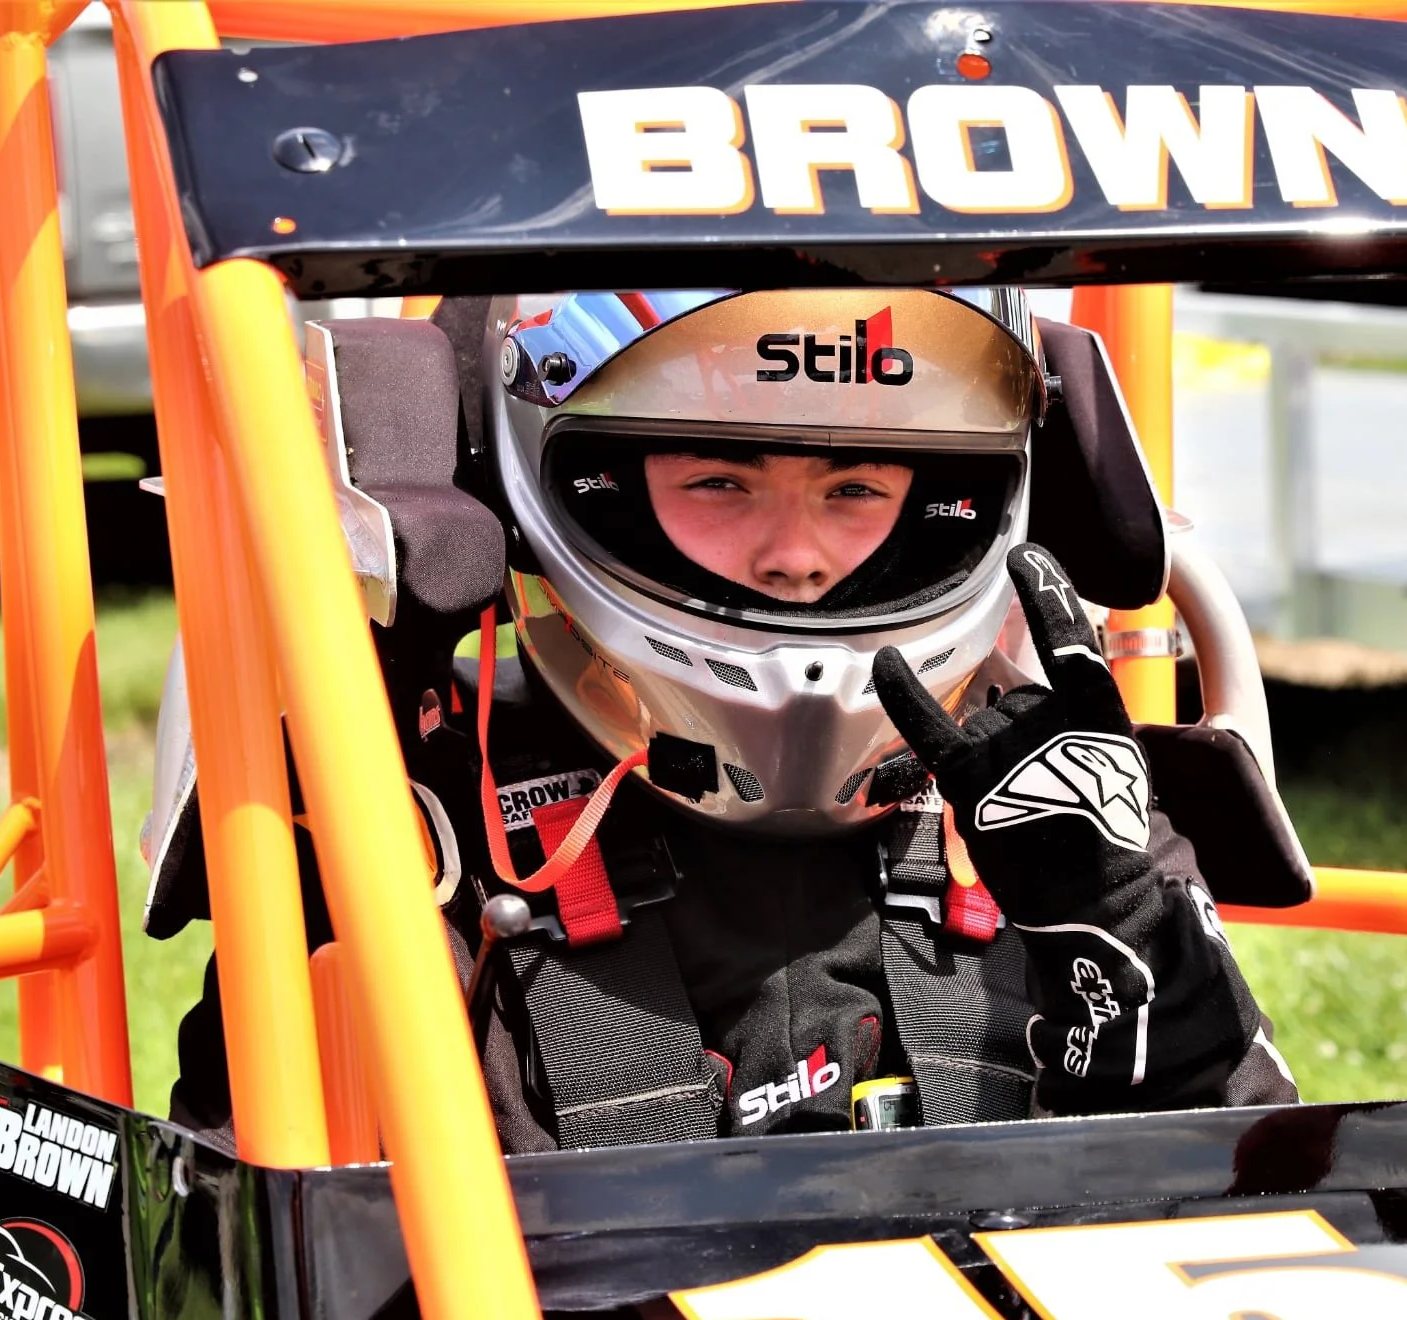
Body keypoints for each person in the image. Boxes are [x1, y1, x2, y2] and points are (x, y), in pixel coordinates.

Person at [161, 286, 1297, 1153]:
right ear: (588, 484)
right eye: (718, 481)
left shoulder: (1045, 800)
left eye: (856, 489)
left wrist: (1122, 934)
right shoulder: (406, 824)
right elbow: (260, 1257)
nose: (794, 556)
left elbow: (1251, 1196)